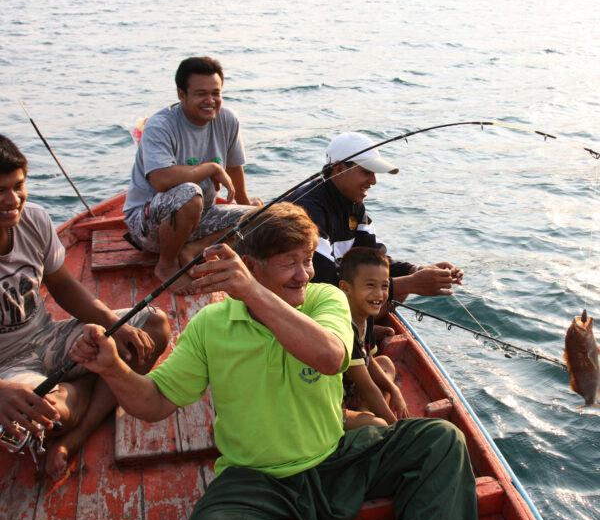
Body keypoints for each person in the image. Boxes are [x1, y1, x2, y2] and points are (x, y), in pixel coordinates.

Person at [69, 203, 486, 520]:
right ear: (250, 266)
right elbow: (154, 403)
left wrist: (253, 292)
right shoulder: (212, 324)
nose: (304, 273)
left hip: (335, 454)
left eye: (306, 260)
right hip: (257, 476)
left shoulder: (327, 298)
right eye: (289, 263)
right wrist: (111, 367)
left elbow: (330, 355)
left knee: (442, 440)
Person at [0, 134, 170, 480]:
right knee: (48, 417)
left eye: (18, 186)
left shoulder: (32, 219)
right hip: (8, 370)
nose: (12, 200)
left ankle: (80, 424)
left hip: (48, 339)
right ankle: (92, 394)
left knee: (152, 328)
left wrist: (113, 323)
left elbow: (62, 284)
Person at [123, 56, 263, 295]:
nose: (210, 101)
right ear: (181, 94)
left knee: (267, 217)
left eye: (215, 93)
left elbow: (233, 168)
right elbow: (161, 179)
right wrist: (211, 168)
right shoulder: (160, 125)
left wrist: (246, 207)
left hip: (201, 216)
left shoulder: (227, 119)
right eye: (201, 94)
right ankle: (166, 265)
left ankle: (195, 249)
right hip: (148, 225)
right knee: (190, 193)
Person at [287, 131, 464, 304]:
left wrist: (415, 270)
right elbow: (324, 280)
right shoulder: (306, 209)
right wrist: (409, 283)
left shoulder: (354, 205)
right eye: (366, 172)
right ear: (339, 169)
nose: (373, 181)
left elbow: (373, 260)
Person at [339, 247, 409, 429]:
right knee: (379, 424)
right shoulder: (346, 325)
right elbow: (367, 386)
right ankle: (368, 416)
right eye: (370, 285)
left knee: (385, 363)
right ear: (345, 288)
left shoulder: (366, 314)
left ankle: (365, 410)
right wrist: (397, 430)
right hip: (334, 402)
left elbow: (369, 360)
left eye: (384, 286)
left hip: (352, 384)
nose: (379, 294)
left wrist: (395, 391)